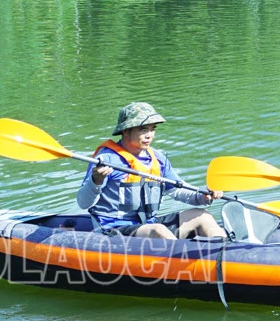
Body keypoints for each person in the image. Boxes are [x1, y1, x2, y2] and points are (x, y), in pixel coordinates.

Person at [76, 101, 225, 239]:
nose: (149, 135)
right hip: (114, 230)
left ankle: (223, 255)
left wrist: (203, 196)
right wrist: (96, 181)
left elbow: (178, 191)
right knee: (158, 230)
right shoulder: (107, 159)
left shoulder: (158, 160)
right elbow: (83, 203)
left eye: (152, 129)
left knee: (202, 216)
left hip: (148, 225)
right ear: (126, 131)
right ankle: (182, 257)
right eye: (143, 130)